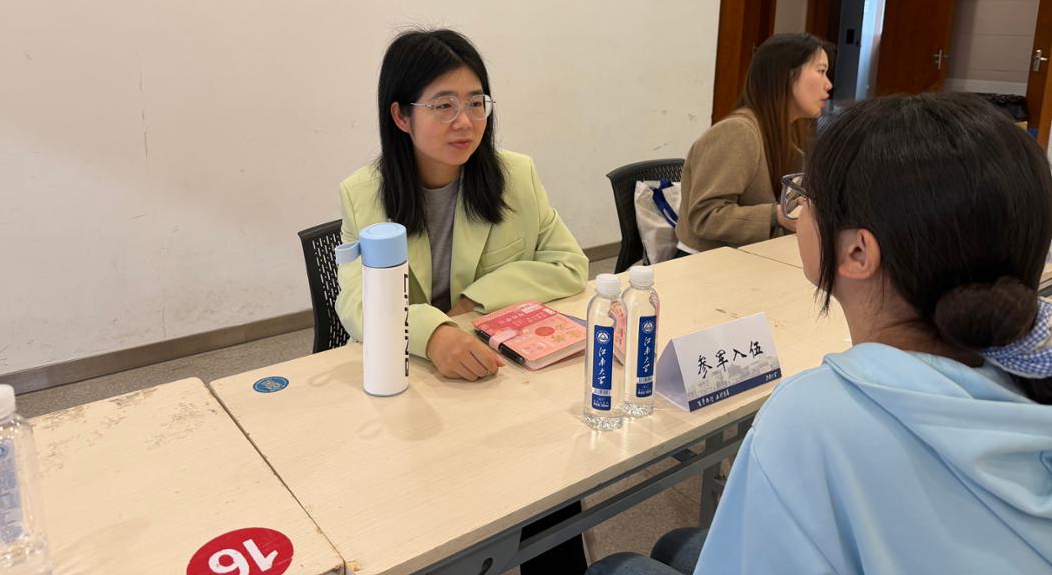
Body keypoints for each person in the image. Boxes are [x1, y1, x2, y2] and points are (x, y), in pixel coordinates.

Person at [587, 92, 1052, 574]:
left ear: (857, 252)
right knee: (679, 544)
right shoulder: (1032, 359)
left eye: (807, 195)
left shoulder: (810, 419)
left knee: (617, 567)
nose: (827, 84)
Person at [336, 28, 589, 381]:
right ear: (402, 117)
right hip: (402, 367)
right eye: (444, 106)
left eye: (475, 103)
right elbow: (356, 301)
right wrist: (432, 333)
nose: (465, 122)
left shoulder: (517, 176)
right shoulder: (362, 195)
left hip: (491, 363)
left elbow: (569, 264)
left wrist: (474, 301)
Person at [675, 32, 832, 253]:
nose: (828, 84)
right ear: (786, 76)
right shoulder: (737, 132)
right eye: (821, 71)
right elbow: (705, 216)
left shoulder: (786, 132)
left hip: (750, 256)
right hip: (705, 261)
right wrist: (776, 215)